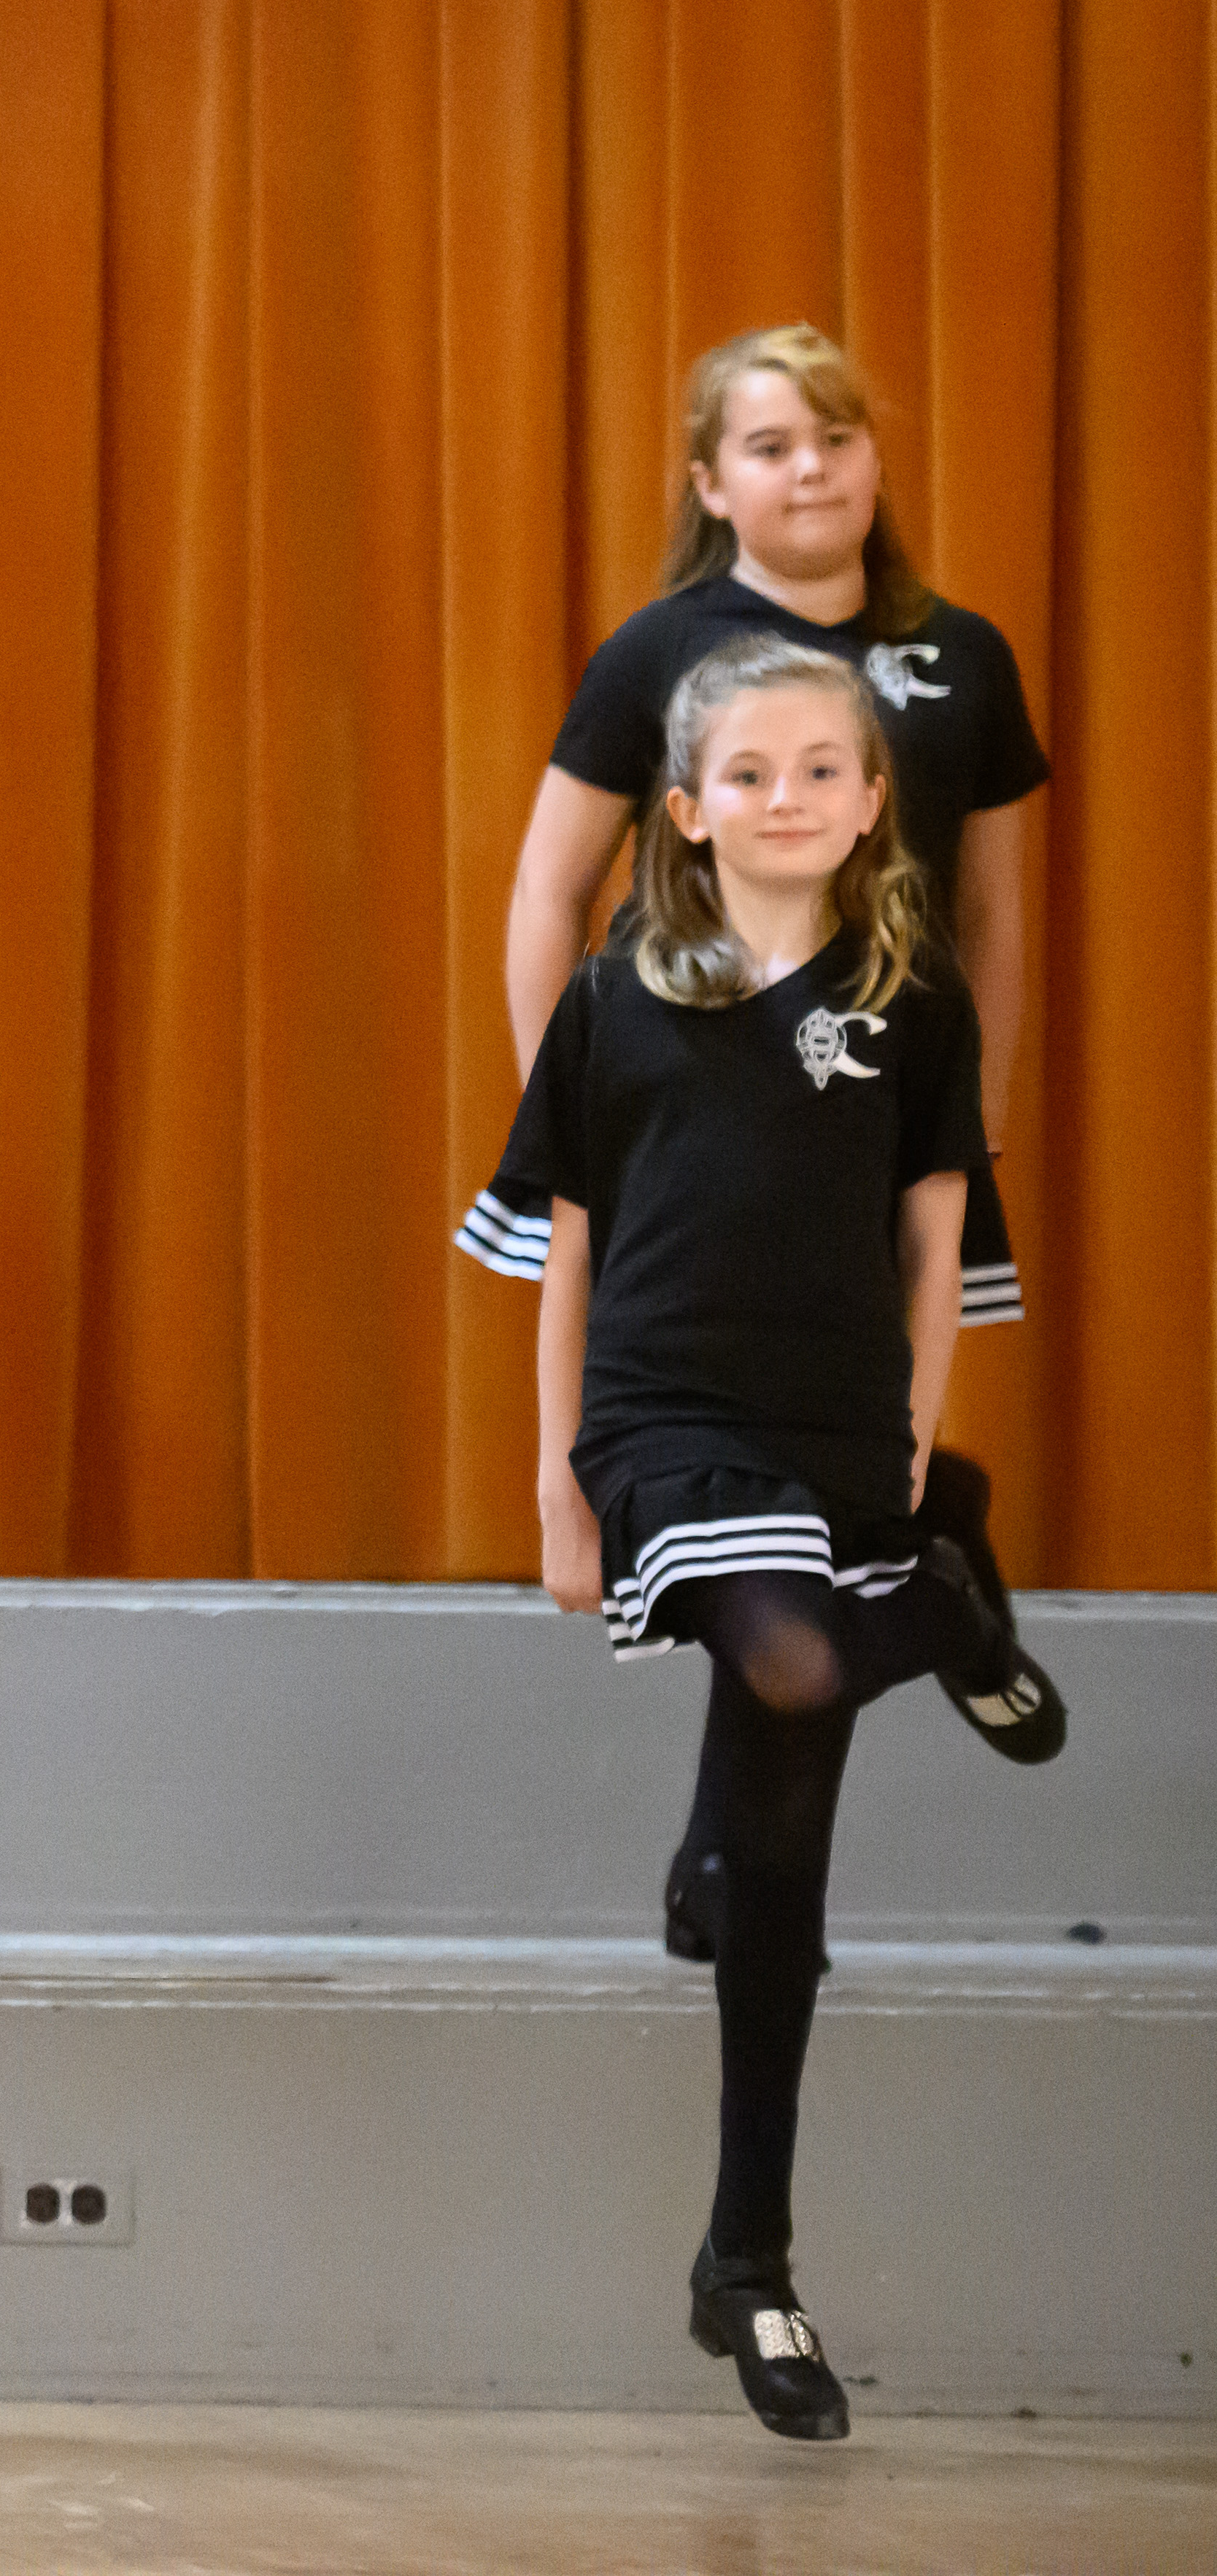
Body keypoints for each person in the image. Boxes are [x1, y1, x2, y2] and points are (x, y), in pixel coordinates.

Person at [464, 633, 1071, 2442]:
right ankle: (948, 1618)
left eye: (826, 768)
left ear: (876, 800)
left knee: (778, 1865)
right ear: (688, 806)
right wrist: (560, 1478)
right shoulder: (616, 995)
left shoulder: (914, 1000)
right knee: (797, 1658)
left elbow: (932, 1250)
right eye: (752, 773)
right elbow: (567, 1247)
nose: (789, 796)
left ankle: (751, 2267)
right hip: (666, 1428)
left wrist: (908, 1459)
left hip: (840, 1434)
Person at [498, 324, 1051, 1958]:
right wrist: (582, 1101)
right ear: (709, 483)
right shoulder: (658, 650)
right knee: (728, 1464)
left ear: (875, 458)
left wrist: (989, 1101)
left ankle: (738, 1826)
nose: (809, 469)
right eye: (768, 444)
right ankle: (915, 1586)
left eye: (834, 437)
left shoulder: (964, 654)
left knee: (829, 1448)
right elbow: (546, 887)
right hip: (690, 1111)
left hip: (879, 1091)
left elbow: (998, 907)